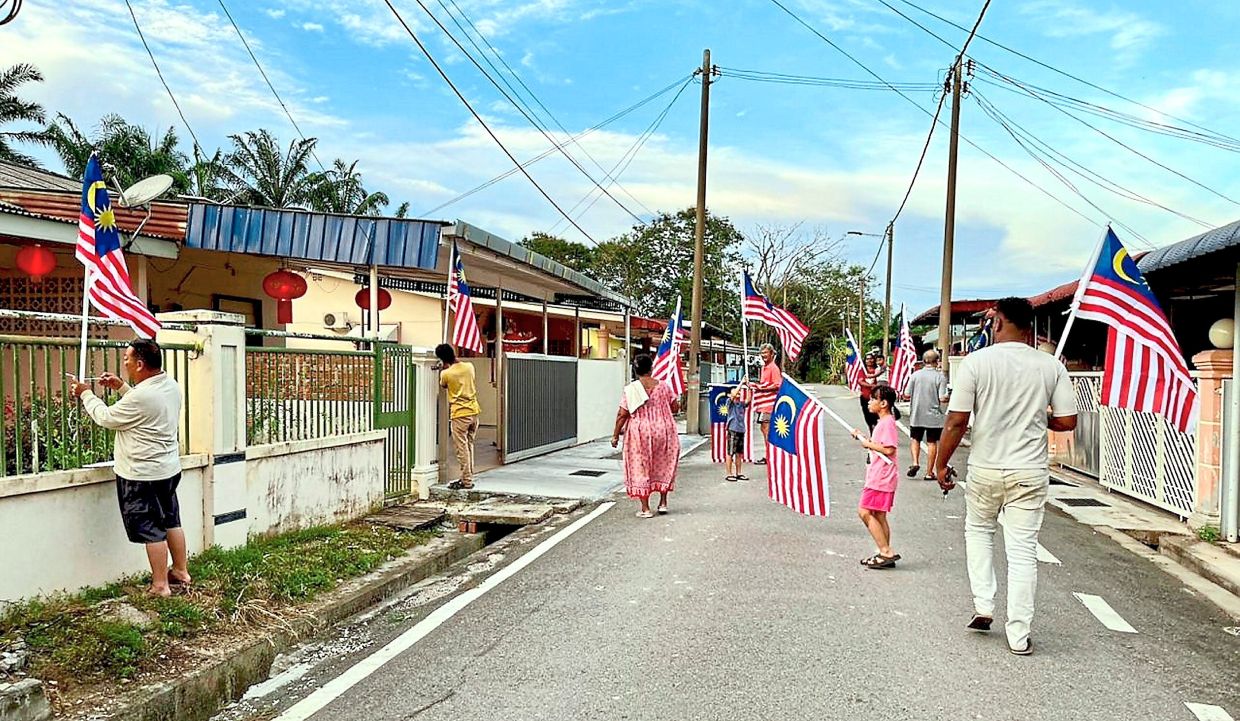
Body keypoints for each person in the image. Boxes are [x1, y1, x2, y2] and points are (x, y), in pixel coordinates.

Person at [935, 297, 1077, 656]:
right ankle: (1019, 634)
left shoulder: (976, 362)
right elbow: (1067, 421)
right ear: (1029, 325)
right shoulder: (1051, 366)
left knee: (979, 532)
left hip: (985, 468)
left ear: (997, 322)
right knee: (1023, 551)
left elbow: (957, 420)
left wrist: (940, 464)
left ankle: (984, 605)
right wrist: (1038, 415)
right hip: (1029, 471)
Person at [70, 339, 186, 597]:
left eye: (127, 359)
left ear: (140, 364)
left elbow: (106, 417)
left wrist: (86, 393)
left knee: (151, 529)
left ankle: (160, 586)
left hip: (141, 474)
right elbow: (142, 405)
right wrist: (121, 387)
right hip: (167, 468)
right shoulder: (170, 385)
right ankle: (180, 571)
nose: (124, 363)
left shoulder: (142, 397)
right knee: (170, 520)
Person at [612, 353, 680, 518]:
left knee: (641, 467)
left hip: (640, 433)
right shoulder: (664, 386)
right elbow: (675, 407)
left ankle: (646, 509)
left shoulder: (631, 389)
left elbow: (622, 414)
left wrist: (615, 435)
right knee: (664, 464)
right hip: (664, 430)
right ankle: (663, 503)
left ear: (635, 370)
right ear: (651, 368)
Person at [851, 385, 902, 569]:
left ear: (883, 403)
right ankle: (884, 552)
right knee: (879, 515)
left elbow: (889, 449)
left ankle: (886, 551)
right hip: (882, 475)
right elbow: (878, 444)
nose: (869, 402)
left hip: (880, 477)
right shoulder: (884, 422)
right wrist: (863, 438)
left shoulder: (887, 422)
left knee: (864, 511)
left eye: (873, 399)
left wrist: (868, 445)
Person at [436, 343, 482, 490]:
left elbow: (443, 385)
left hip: (459, 414)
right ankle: (468, 475)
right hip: (474, 411)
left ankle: (466, 481)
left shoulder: (446, 374)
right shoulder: (469, 367)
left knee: (461, 448)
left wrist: (445, 368)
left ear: (442, 359)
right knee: (469, 445)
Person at [905, 349, 950, 480]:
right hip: (933, 416)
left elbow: (906, 394)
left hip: (917, 413)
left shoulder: (915, 375)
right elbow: (942, 398)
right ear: (937, 361)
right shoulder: (940, 377)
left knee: (915, 439)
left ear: (924, 361)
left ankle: (915, 462)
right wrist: (948, 397)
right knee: (932, 442)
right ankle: (929, 472)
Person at [750, 343, 783, 465]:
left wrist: (761, 388)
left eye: (765, 353)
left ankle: (771, 455)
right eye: (762, 353)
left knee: (767, 429)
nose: (763, 355)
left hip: (769, 404)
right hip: (763, 405)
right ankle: (769, 454)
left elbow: (778, 384)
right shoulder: (765, 367)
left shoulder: (773, 368)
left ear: (772, 354)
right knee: (764, 428)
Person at [724, 384, 749, 483]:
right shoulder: (729, 403)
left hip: (741, 430)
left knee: (739, 453)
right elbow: (733, 395)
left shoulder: (741, 404)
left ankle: (739, 473)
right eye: (736, 392)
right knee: (730, 452)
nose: (738, 394)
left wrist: (749, 387)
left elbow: (748, 400)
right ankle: (729, 473)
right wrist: (741, 383)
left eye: (739, 393)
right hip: (732, 429)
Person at [857, 355, 880, 433]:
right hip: (865, 398)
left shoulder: (877, 370)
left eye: (871, 359)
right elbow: (860, 381)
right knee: (868, 418)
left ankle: (878, 434)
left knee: (877, 418)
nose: (869, 360)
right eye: (867, 359)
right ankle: (872, 434)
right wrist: (872, 386)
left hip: (877, 398)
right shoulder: (862, 371)